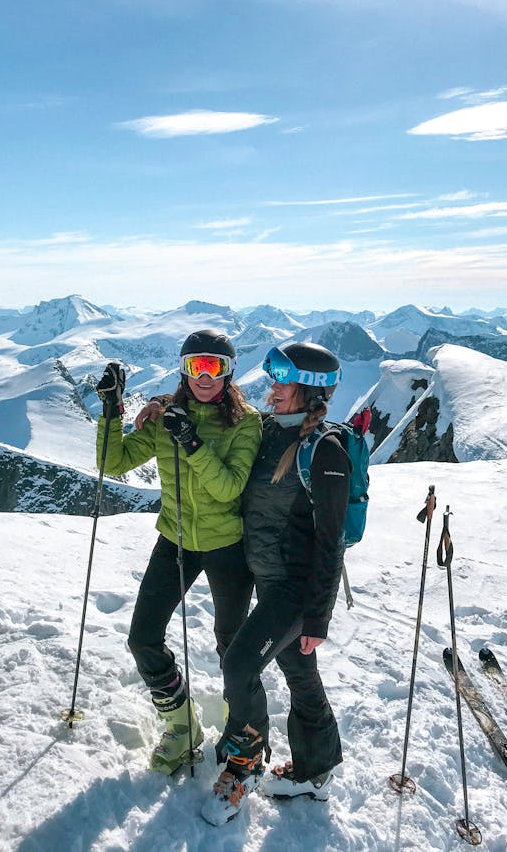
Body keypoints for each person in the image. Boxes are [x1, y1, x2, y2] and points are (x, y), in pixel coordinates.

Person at [95, 329, 262, 775]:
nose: (204, 376)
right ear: (183, 370)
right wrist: (112, 411)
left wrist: (191, 442)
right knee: (142, 637)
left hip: (227, 545)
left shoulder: (246, 423)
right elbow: (114, 463)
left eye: (214, 366)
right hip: (175, 539)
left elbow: (228, 487)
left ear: (228, 372)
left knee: (232, 646)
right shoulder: (167, 416)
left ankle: (241, 727)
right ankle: (181, 723)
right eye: (195, 366)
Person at [201, 342, 351, 826]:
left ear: (308, 392)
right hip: (265, 577)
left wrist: (318, 617)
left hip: (293, 590)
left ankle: (245, 765)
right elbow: (215, 410)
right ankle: (316, 769)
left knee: (239, 665)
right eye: (274, 378)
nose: (273, 387)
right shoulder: (267, 431)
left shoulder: (324, 451)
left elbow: (332, 542)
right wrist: (159, 407)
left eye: (284, 381)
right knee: (299, 672)